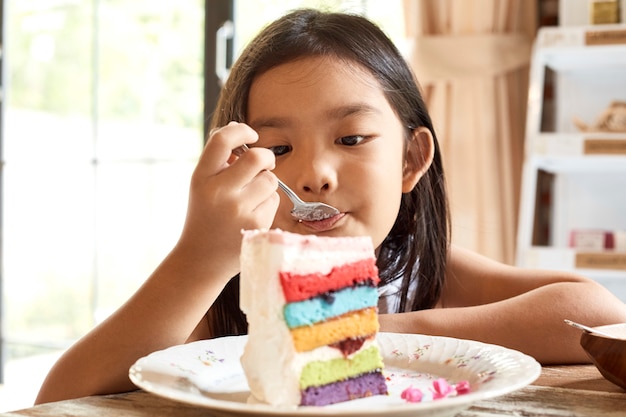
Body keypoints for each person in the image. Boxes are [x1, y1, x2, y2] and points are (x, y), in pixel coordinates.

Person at [36, 8, 626, 404]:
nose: (314, 174)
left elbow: (590, 307)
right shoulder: (229, 287)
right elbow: (61, 398)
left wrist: (365, 337)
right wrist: (200, 256)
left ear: (410, 161)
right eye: (279, 148)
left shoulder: (418, 270)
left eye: (350, 139)